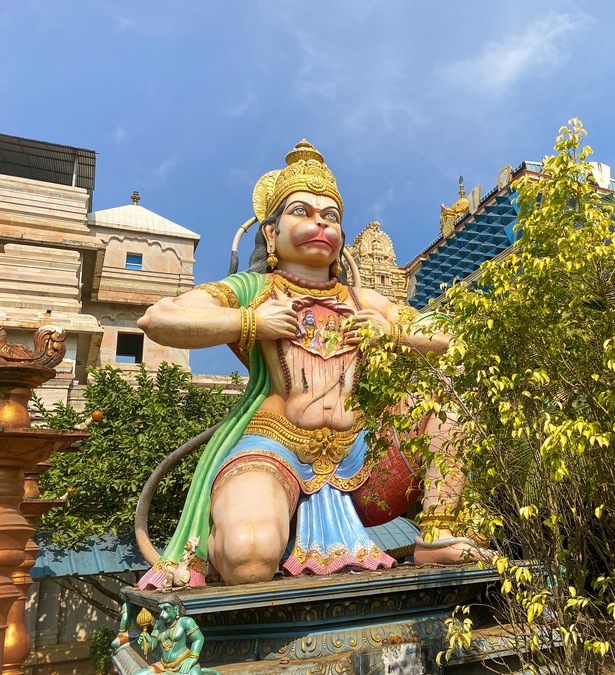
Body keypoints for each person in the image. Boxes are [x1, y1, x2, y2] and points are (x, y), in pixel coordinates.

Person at [136, 140, 488, 588]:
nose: (320, 223)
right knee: (247, 555)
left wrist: (393, 335)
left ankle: (438, 534)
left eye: (331, 216)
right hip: (275, 448)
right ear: (270, 234)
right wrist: (249, 322)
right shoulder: (252, 290)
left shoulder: (363, 301)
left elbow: (457, 339)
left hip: (364, 459)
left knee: (447, 405)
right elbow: (159, 317)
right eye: (302, 211)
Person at [135, 600, 216, 675]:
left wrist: (193, 658)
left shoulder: (185, 622)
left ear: (176, 609)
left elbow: (199, 638)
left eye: (167, 610)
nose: (162, 615)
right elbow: (152, 646)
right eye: (161, 610)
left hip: (182, 663)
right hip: (163, 665)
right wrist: (146, 643)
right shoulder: (159, 624)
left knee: (195, 673)